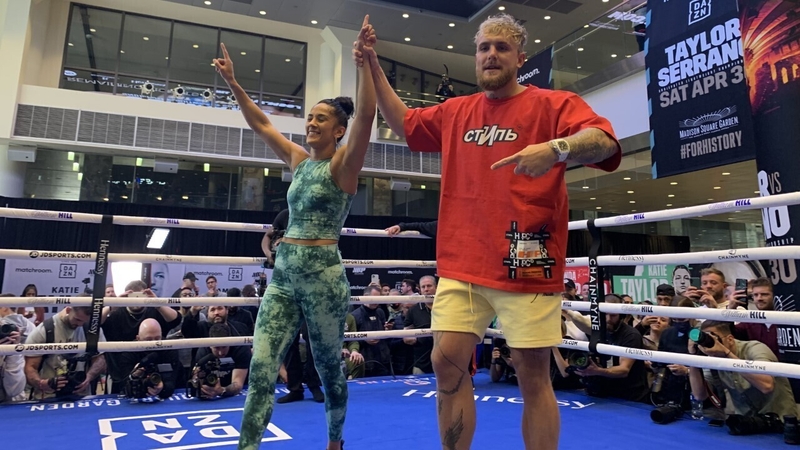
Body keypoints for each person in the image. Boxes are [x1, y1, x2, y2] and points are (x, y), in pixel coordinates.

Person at [354, 13, 620, 449]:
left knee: (533, 377)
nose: (491, 54)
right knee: (446, 367)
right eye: (483, 47)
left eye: (501, 47)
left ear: (520, 57)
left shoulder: (554, 104)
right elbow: (405, 125)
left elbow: (605, 142)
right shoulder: (457, 111)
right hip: (462, 262)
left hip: (528, 258)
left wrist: (557, 148)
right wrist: (372, 64)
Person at [220, 17, 377, 450]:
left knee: (328, 368)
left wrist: (365, 64)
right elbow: (262, 125)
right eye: (310, 117)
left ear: (338, 130)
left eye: (320, 119)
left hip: (325, 279)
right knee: (261, 367)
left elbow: (366, 114)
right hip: (285, 276)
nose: (310, 123)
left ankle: (335, 441)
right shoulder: (299, 161)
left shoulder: (342, 167)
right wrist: (234, 84)